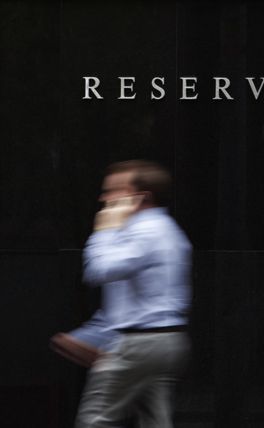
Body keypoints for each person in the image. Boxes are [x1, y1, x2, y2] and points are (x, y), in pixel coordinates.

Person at [75, 160, 192, 428]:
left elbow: (98, 270)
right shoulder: (168, 229)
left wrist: (103, 230)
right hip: (167, 341)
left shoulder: (144, 232)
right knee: (156, 421)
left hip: (138, 344)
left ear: (141, 197)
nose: (104, 198)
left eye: (114, 190)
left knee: (94, 420)